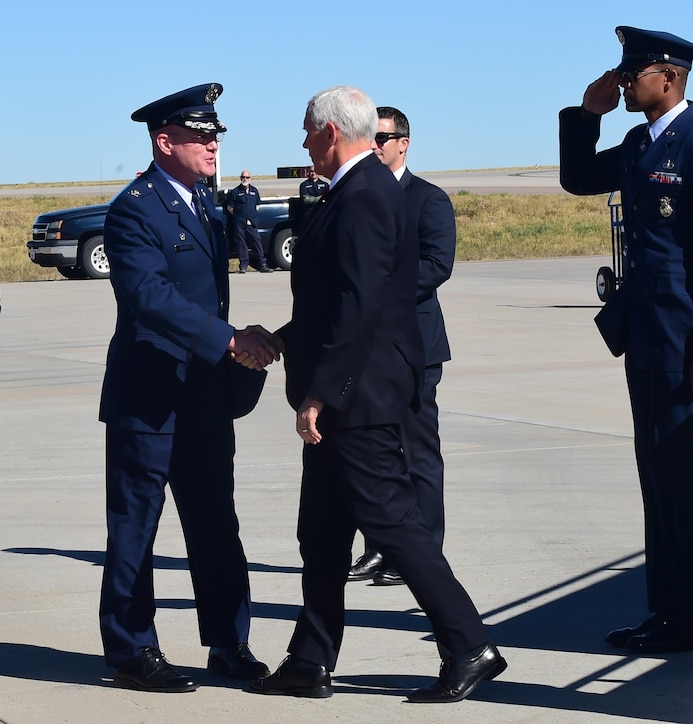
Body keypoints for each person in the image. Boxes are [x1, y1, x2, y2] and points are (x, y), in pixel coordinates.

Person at [249, 85, 505, 704]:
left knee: (392, 522)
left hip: (356, 396)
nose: (305, 143)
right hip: (350, 385)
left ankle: (468, 645)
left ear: (332, 132)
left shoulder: (363, 196)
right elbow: (341, 302)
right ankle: (310, 658)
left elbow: (360, 308)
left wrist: (321, 394)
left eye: (309, 132)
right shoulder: (361, 191)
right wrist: (283, 342)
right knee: (322, 530)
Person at [558, 27, 693, 653]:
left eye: (632, 71)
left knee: (687, 478)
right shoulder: (640, 142)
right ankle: (669, 609)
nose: (623, 80)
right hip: (646, 336)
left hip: (685, 343)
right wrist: (585, 117)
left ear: (667, 77)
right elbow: (579, 178)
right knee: (657, 476)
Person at [98, 83, 277, 693]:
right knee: (135, 527)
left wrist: (232, 341)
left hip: (202, 395)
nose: (213, 145)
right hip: (148, 397)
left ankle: (229, 642)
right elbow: (148, 298)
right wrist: (227, 340)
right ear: (164, 140)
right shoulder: (134, 208)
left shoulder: (204, 202)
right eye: (200, 136)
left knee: (214, 523)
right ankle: (131, 651)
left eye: (215, 135)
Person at [347, 106, 456, 587]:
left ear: (404, 143)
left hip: (413, 346)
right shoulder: (359, 196)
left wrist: (379, 292)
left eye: (384, 138)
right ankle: (380, 547)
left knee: (418, 454)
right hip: (365, 350)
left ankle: (423, 555)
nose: (375, 146)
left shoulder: (427, 199)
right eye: (369, 138)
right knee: (377, 455)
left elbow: (437, 265)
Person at [224, 170, 273, 273]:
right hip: (239, 223)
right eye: (243, 177)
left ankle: (262, 264)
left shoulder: (254, 191)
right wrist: (240, 216)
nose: (244, 179)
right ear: (240, 178)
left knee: (256, 242)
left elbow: (257, 205)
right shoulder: (235, 192)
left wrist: (251, 217)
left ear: (250, 179)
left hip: (252, 222)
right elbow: (230, 207)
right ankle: (243, 266)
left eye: (247, 177)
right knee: (241, 244)